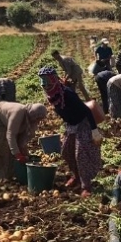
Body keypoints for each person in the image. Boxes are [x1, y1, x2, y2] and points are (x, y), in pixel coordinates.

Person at [38, 66, 102, 197]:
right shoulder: (52, 95)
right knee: (66, 152)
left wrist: (94, 130)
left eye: (48, 83)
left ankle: (86, 186)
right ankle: (76, 176)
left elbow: (86, 110)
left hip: (83, 124)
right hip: (71, 125)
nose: (46, 86)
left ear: (54, 80)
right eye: (43, 84)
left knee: (81, 155)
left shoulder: (67, 93)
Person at [0, 102, 47, 188]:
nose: (38, 121)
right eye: (38, 118)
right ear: (34, 114)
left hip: (3, 121)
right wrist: (18, 155)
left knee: (10, 149)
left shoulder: (31, 119)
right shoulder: (19, 113)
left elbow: (22, 140)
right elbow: (11, 135)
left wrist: (26, 155)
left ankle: (8, 176)